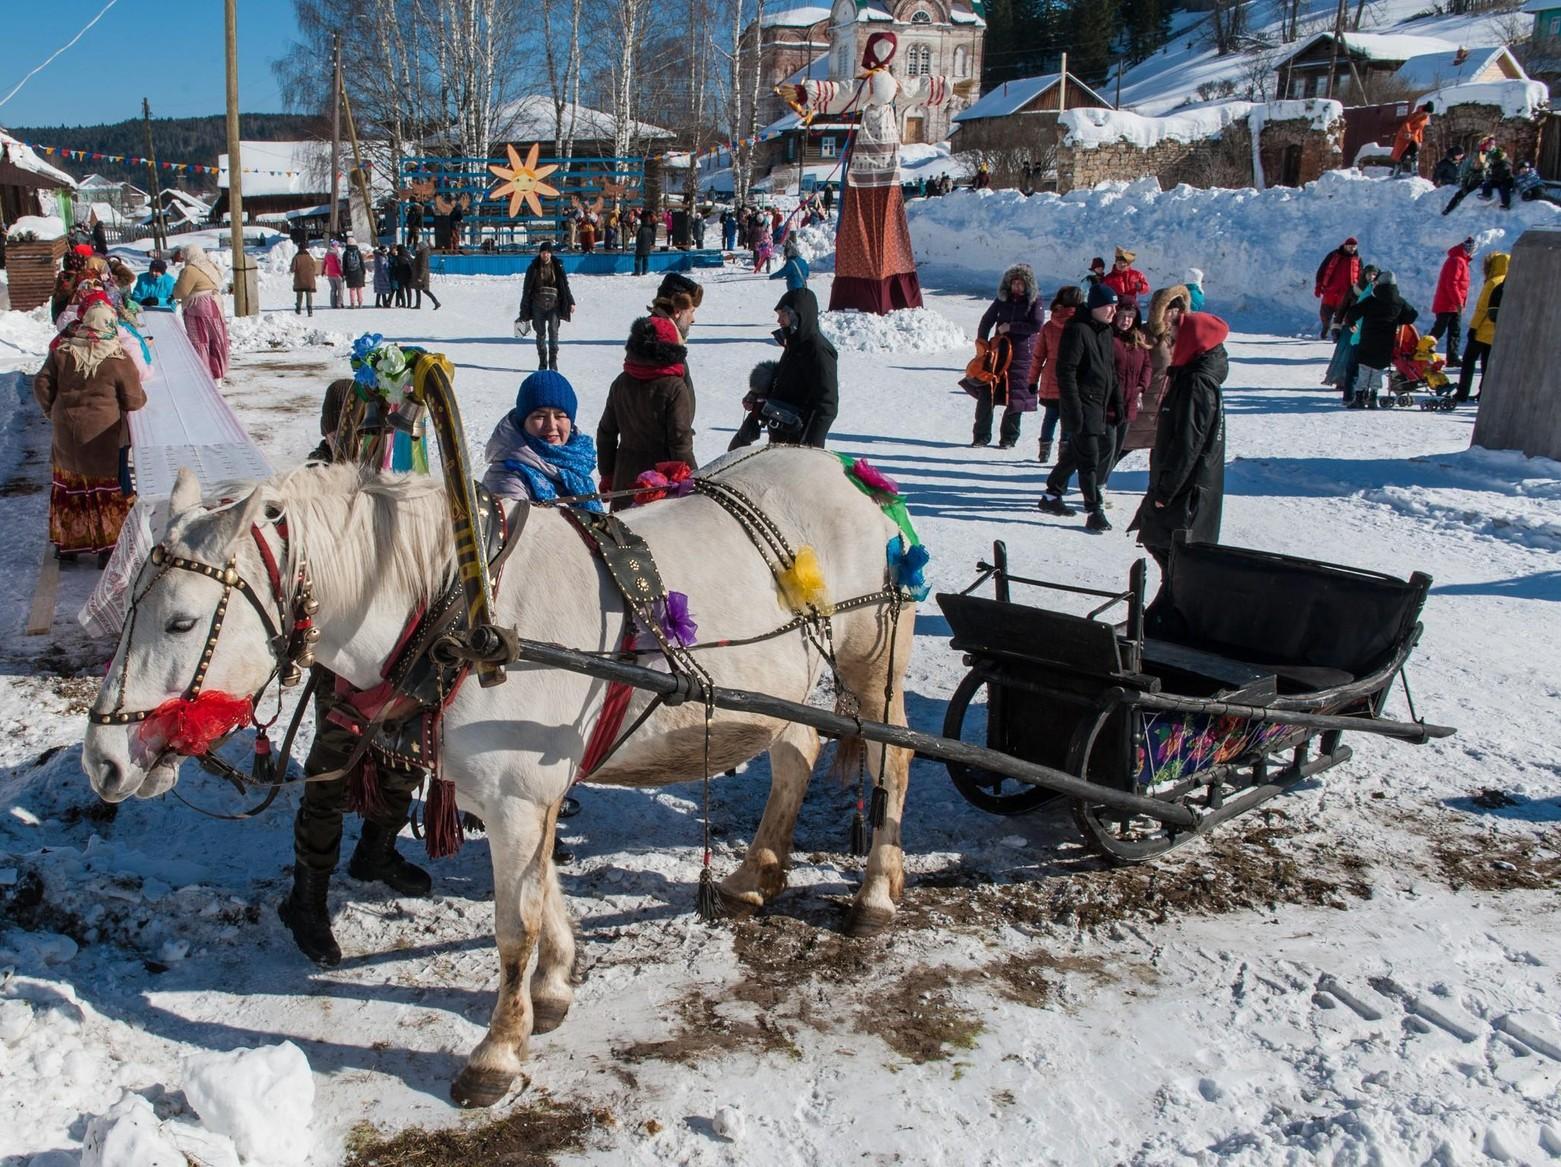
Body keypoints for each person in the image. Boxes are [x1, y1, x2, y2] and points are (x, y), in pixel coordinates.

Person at [281, 379, 436, 968]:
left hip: (403, 650)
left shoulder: (396, 476)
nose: (372, 442)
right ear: (331, 431)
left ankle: (376, 851)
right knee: (332, 771)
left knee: (403, 758)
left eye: (379, 430)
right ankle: (307, 898)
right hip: (340, 659)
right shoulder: (309, 492)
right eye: (360, 431)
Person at [33, 301, 146, 564]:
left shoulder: (62, 351)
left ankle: (68, 547)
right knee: (104, 491)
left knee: (70, 488)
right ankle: (108, 549)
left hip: (66, 434)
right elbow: (133, 400)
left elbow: (41, 383)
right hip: (102, 439)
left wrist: (51, 410)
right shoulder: (117, 359)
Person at [1129, 312, 1231, 576]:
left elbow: (1188, 443)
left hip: (1184, 494)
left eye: (1174, 339)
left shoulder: (1196, 383)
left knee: (1173, 560)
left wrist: (1165, 492)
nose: (1171, 344)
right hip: (1182, 490)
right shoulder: (1191, 376)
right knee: (1168, 559)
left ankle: (1167, 615)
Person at [1037, 282, 1120, 533]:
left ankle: (1051, 495)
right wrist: (1073, 409)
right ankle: (1094, 511)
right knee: (1089, 460)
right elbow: (1066, 372)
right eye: (1108, 307)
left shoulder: (1104, 330)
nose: (1113, 312)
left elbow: (1109, 370)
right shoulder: (1077, 330)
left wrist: (1116, 400)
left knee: (1076, 453)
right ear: (1094, 306)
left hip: (1099, 405)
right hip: (1082, 405)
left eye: (1115, 307)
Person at [598, 312, 696, 509]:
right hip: (661, 479)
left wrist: (608, 474)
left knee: (622, 533)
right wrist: (691, 476)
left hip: (625, 475)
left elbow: (606, 433)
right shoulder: (674, 387)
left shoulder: (621, 382)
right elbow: (680, 440)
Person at [482, 369, 603, 513]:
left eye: (560, 416)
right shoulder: (506, 478)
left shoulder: (576, 463)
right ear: (523, 422)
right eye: (540, 416)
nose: (551, 425)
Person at [738, 287, 838, 450]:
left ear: (796, 315)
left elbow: (827, 404)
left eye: (782, 315)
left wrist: (811, 447)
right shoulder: (795, 344)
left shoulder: (818, 351)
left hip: (800, 441)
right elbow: (786, 382)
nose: (779, 321)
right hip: (783, 434)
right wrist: (759, 394)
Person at [971, 264, 1045, 449]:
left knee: (1016, 399)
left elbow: (1036, 325)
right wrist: (982, 342)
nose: (1017, 287)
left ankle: (1008, 438)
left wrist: (1011, 327)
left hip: (1022, 355)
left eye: (1021, 284)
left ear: (1028, 285)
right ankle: (981, 436)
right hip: (998, 353)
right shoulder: (1002, 300)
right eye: (1014, 283)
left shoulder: (1034, 301)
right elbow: (987, 319)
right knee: (987, 395)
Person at [1342, 269, 1417, 409]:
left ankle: (1359, 397)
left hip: (1368, 340)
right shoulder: (1399, 302)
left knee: (1364, 369)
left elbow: (1353, 312)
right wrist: (1398, 320)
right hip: (1386, 342)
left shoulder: (1372, 300)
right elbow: (1412, 315)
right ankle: (1373, 397)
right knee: (1377, 370)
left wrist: (1351, 323)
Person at [1030, 285, 1082, 463]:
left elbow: (1038, 356)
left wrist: (1032, 380)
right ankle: (1064, 453)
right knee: (1068, 419)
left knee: (1050, 416)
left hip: (1050, 375)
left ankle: (1044, 450)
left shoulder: (1049, 325)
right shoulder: (1082, 325)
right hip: (1074, 377)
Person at [1103, 302, 1152, 490]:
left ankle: (1101, 483)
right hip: (1108, 401)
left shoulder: (1138, 340)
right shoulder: (1108, 337)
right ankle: (1096, 486)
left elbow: (1147, 365)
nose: (1126, 321)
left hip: (1129, 401)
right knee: (1106, 447)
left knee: (1117, 448)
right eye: (1123, 316)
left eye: (1130, 317)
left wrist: (1141, 387)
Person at [171, 244, 230, 382]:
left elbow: (181, 292)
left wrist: (174, 292)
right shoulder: (209, 265)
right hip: (214, 305)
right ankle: (218, 374)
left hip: (197, 307)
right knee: (216, 339)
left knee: (200, 340)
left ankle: (204, 375)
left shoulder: (190, 270)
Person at [1454, 251, 1506, 404]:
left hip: (1481, 331)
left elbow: (1482, 309)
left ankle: (1462, 393)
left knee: (1469, 362)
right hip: (1495, 331)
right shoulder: (1508, 282)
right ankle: (1483, 394)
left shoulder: (1492, 282)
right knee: (1487, 366)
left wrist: (1473, 328)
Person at [1323, 265, 1378, 403]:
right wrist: (1336, 326)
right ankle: (1341, 380)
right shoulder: (1354, 290)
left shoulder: (1376, 291)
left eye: (1374, 275)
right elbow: (1342, 308)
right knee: (1346, 356)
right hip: (1351, 327)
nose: (1371, 277)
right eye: (1369, 274)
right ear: (1364, 274)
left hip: (1366, 328)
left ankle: (1358, 385)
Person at [518, 241, 574, 371]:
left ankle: (553, 362)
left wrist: (571, 301)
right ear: (540, 253)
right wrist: (523, 309)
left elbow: (565, 286)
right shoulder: (533, 267)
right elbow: (526, 289)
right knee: (540, 333)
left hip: (554, 305)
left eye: (548, 252)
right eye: (543, 252)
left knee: (554, 332)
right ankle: (542, 363)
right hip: (538, 305)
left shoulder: (557, 266)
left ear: (551, 253)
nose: (546, 255)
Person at [1429, 237, 1473, 368]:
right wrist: (1459, 302)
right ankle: (1423, 350)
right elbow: (1452, 284)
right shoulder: (1457, 261)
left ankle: (1452, 357)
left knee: (1454, 331)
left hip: (1452, 304)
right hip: (1447, 304)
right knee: (1440, 329)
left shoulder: (1460, 260)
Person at [1314, 237, 1360, 338]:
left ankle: (1336, 334)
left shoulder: (1357, 260)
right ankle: (1325, 328)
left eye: (1354, 247)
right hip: (1330, 289)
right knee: (1325, 312)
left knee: (1341, 314)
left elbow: (1360, 276)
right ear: (1345, 246)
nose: (1352, 249)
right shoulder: (1333, 255)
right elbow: (1322, 269)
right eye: (1350, 246)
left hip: (1346, 292)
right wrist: (1318, 285)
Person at [1443, 137, 1492, 215]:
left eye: (1492, 145)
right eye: (1489, 145)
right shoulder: (1476, 156)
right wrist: (1464, 185)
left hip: (1485, 179)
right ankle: (1448, 209)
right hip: (1475, 179)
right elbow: (1466, 172)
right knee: (1459, 194)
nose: (1491, 147)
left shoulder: (1492, 155)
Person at [1390, 102, 1432, 178]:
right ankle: (1396, 172)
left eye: (1430, 113)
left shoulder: (1425, 118)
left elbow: (1420, 130)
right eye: (1428, 112)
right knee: (1402, 154)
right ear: (1425, 110)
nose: (1428, 114)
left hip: (1414, 138)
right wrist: (1408, 132)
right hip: (1404, 137)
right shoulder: (1416, 114)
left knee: (1414, 152)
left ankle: (1414, 171)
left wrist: (1420, 140)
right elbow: (1407, 123)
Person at [1102, 247, 1150, 312]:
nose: (1122, 264)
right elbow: (1104, 294)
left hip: (1132, 307)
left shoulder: (1137, 275)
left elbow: (1146, 289)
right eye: (1119, 262)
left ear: (1128, 263)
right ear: (1116, 263)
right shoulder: (1108, 278)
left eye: (1124, 262)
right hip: (1116, 309)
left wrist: (1141, 287)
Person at [413, 241, 441, 310]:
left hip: (422, 276)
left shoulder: (423, 255)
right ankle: (418, 305)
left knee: (425, 290)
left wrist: (420, 277)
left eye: (418, 246)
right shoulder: (421, 253)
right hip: (420, 274)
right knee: (418, 289)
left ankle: (436, 303)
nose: (417, 247)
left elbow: (423, 266)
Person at [291, 245, 318, 316]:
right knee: (309, 294)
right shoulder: (310, 257)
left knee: (299, 294)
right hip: (309, 279)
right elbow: (314, 267)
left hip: (299, 278)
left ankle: (298, 308)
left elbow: (292, 269)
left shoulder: (296, 257)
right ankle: (310, 310)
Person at [341, 236, 366, 308]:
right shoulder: (358, 252)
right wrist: (363, 271)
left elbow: (344, 264)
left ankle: (352, 303)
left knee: (352, 289)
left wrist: (344, 273)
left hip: (350, 273)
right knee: (359, 288)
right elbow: (361, 262)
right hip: (358, 272)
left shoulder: (346, 253)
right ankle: (360, 302)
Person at [634, 211, 657, 277]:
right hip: (647, 247)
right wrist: (652, 243)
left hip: (640, 247)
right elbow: (652, 237)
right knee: (645, 259)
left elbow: (638, 239)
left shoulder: (641, 229)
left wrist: (637, 245)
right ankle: (645, 271)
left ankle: (637, 272)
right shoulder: (650, 229)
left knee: (638, 259)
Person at [322, 242, 344, 309]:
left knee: (333, 289)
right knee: (340, 289)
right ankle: (339, 303)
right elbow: (339, 264)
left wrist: (322, 271)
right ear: (335, 246)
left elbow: (324, 263)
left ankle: (333, 304)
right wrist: (342, 273)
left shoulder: (327, 254)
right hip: (337, 274)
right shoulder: (336, 254)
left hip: (330, 274)